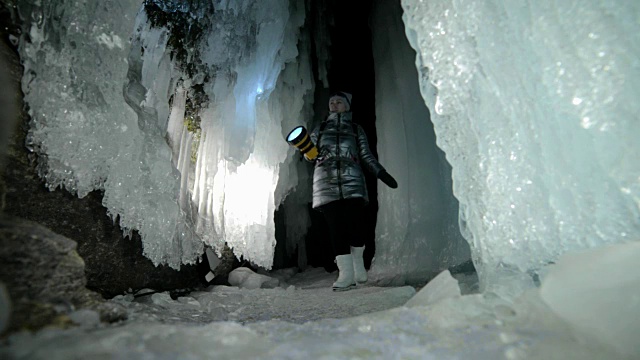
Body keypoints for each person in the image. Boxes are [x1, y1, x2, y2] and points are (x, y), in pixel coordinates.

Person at [309, 91, 398, 291]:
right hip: (326, 184)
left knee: (357, 225)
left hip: (353, 182)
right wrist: (306, 149)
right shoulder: (320, 129)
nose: (334, 105)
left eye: (339, 102)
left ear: (347, 106)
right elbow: (310, 155)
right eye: (331, 102)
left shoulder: (356, 130)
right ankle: (346, 274)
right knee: (336, 228)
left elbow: (366, 156)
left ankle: (358, 264)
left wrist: (381, 173)